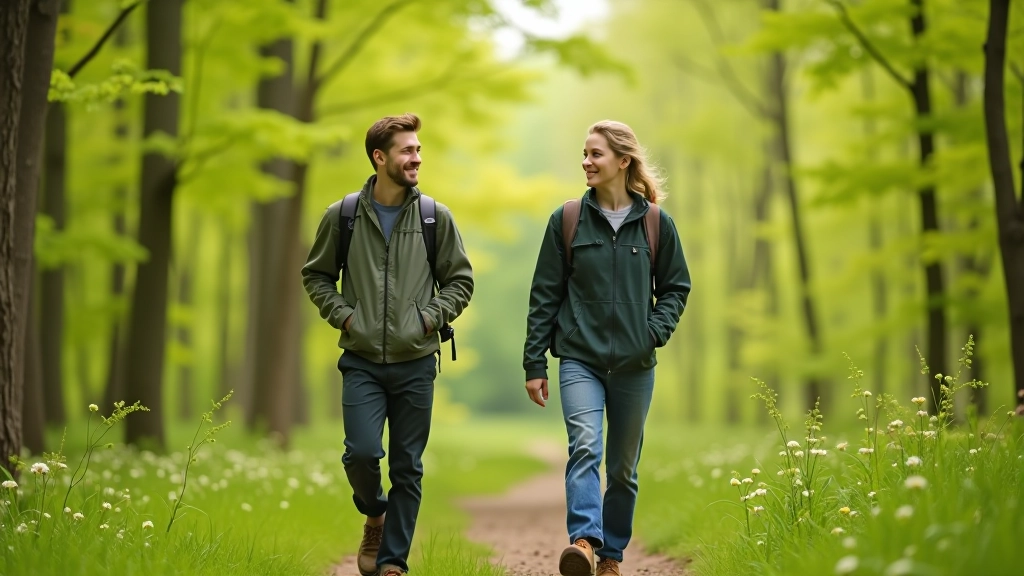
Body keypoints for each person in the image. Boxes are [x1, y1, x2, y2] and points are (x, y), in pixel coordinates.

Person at [301, 113, 474, 576]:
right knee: (360, 453)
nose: (416, 157)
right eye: (407, 151)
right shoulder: (343, 216)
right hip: (360, 361)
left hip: (416, 361)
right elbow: (316, 275)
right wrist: (345, 315)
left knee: (407, 466)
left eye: (418, 150)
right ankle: (374, 514)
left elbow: (460, 281)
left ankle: (392, 563)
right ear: (380, 158)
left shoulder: (436, 217)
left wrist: (428, 319)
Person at [522, 120, 691, 576]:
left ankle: (611, 557)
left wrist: (652, 332)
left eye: (595, 154)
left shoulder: (656, 223)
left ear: (622, 160)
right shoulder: (569, 218)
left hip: (636, 364)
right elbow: (544, 294)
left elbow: (676, 287)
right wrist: (534, 362)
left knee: (622, 468)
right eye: (584, 153)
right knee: (584, 446)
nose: (586, 162)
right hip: (580, 358)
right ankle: (583, 541)